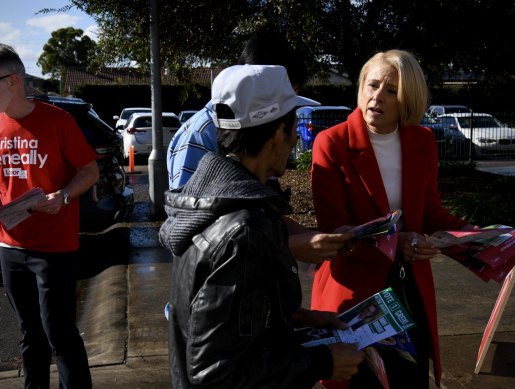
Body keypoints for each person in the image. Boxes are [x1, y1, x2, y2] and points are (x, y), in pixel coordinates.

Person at [160, 64, 365, 388]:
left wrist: (297, 318)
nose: (297, 136)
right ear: (276, 134)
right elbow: (217, 375)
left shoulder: (208, 199)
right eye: (293, 125)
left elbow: (223, 320)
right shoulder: (243, 231)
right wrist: (323, 362)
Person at [309, 49, 476, 389]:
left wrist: (480, 237)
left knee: (410, 380)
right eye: (372, 85)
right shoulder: (332, 143)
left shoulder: (422, 141)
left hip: (408, 291)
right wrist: (396, 242)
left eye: (390, 91)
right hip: (356, 296)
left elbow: (430, 213)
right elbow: (334, 229)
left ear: (407, 99)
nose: (377, 97)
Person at [0, 44, 97, 388]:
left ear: (13, 81)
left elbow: (89, 171)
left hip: (54, 246)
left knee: (59, 332)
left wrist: (64, 194)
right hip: (9, 245)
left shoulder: (57, 121)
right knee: (30, 333)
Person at [167, 30, 351, 266]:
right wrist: (291, 246)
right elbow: (191, 234)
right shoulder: (201, 134)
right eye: (286, 93)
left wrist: (310, 237)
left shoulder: (255, 144)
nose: (293, 138)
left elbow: (261, 216)